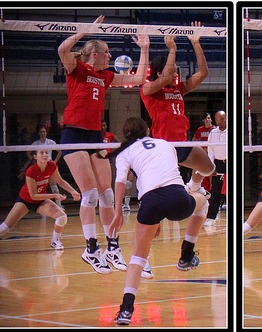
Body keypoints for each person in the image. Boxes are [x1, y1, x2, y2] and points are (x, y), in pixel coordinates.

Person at [57, 14, 150, 274]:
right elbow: (62, 49)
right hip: (74, 135)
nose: (110, 57)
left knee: (107, 194)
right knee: (89, 194)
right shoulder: (77, 68)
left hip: (95, 135)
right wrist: (86, 30)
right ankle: (91, 248)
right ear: (94, 54)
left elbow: (139, 78)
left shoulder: (106, 76)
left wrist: (145, 49)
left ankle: (113, 246)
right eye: (107, 52)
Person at [102, 117, 208, 325]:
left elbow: (120, 181)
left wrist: (118, 212)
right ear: (148, 131)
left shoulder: (125, 152)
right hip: (177, 197)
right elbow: (162, 171)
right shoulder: (165, 144)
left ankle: (125, 310)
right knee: (203, 203)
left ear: (126, 135)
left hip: (150, 203)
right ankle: (186, 255)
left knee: (137, 258)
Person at [140, 26, 215, 200]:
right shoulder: (148, 90)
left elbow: (203, 73)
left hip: (181, 143)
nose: (175, 74)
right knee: (163, 189)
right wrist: (172, 49)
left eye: (175, 70)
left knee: (209, 168)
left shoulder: (179, 90)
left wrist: (196, 43)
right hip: (163, 146)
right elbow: (165, 78)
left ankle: (193, 186)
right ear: (159, 72)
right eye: (172, 70)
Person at [0, 150, 81, 249]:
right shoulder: (31, 171)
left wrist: (73, 191)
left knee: (62, 217)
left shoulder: (52, 165)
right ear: (35, 156)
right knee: (2, 229)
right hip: (25, 200)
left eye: (46, 153)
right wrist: (54, 196)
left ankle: (55, 241)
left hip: (40, 200)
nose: (45, 155)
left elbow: (60, 181)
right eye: (42, 153)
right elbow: (33, 196)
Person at [31, 126, 63, 207]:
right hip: (40, 167)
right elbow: (28, 152)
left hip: (49, 166)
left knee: (54, 187)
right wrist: (34, 160)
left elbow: (60, 152)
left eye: (44, 132)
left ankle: (59, 206)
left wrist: (54, 162)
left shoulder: (50, 142)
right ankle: (41, 206)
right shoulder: (36, 143)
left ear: (46, 133)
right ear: (39, 133)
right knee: (40, 188)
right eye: (41, 132)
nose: (42, 133)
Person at [205, 111, 227, 226]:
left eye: (222, 119)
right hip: (218, 163)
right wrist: (211, 166)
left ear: (226, 118)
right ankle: (211, 216)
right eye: (218, 119)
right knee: (216, 190)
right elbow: (211, 150)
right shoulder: (213, 133)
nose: (220, 122)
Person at [193, 112, 217, 197]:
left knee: (212, 172)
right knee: (203, 173)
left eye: (209, 118)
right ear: (203, 120)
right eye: (206, 118)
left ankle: (212, 190)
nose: (208, 120)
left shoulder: (215, 129)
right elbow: (194, 140)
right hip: (203, 155)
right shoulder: (200, 130)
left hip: (212, 154)